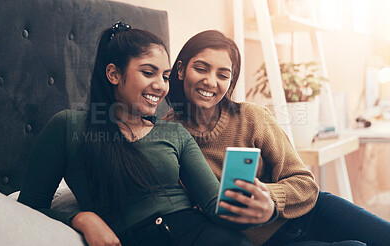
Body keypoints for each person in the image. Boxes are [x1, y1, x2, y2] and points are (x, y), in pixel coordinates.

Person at [18, 22, 255, 246]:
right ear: (114, 74)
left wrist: (263, 207)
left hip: (204, 235)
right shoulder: (68, 126)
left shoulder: (174, 133)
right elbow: (28, 209)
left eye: (165, 76)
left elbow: (215, 205)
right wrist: (80, 218)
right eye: (148, 72)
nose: (161, 86)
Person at [165, 30, 390, 246]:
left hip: (314, 213)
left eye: (222, 75)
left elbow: (305, 184)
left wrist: (270, 199)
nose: (211, 81)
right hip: (267, 241)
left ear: (230, 81)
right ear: (182, 70)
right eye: (201, 69)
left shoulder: (251, 117)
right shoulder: (166, 137)